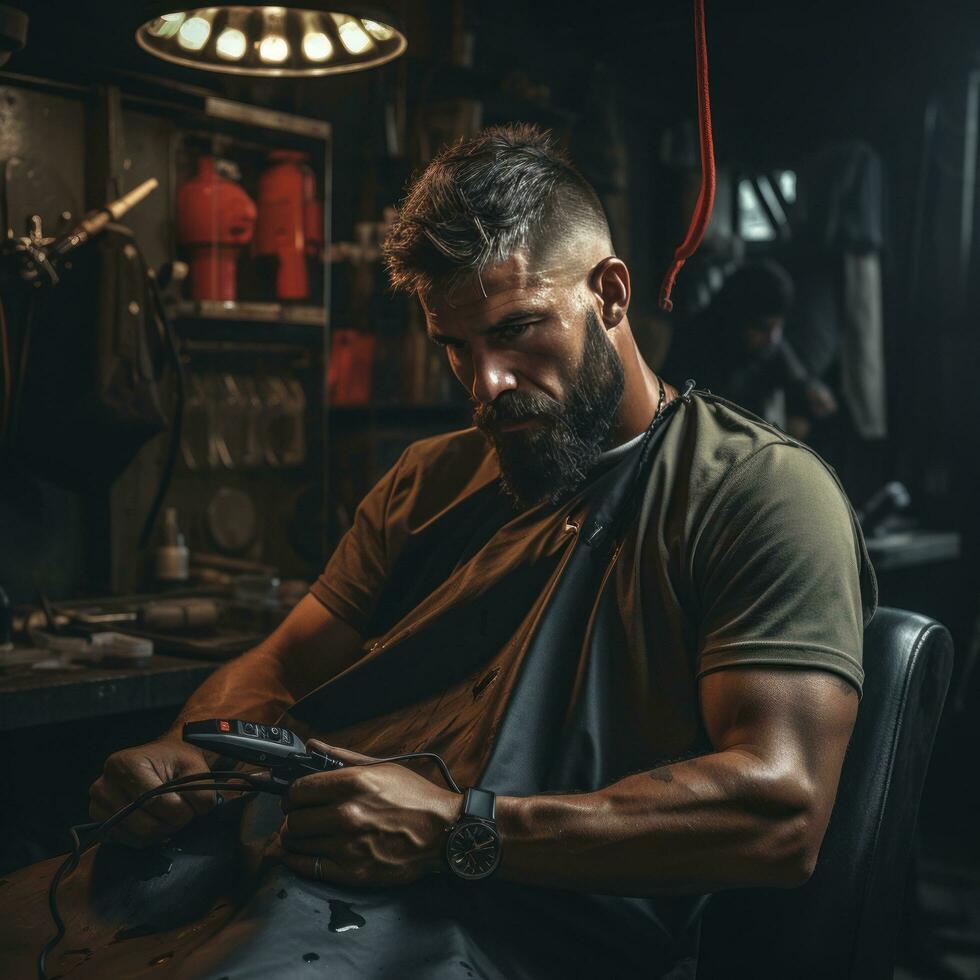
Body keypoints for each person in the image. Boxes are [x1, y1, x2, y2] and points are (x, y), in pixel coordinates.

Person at [22, 126, 875, 979]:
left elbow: (781, 813)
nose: (485, 385)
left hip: (532, 931)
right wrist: (193, 750)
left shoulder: (758, 492)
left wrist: (460, 829)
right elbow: (279, 664)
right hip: (299, 878)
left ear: (610, 294)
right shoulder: (425, 483)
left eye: (518, 329)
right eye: (455, 347)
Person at [663, 259, 838, 438]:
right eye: (764, 328)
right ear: (737, 320)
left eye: (778, 327)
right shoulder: (693, 348)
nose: (773, 337)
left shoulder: (762, 343)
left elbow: (788, 367)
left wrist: (809, 388)